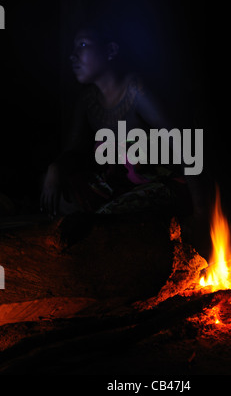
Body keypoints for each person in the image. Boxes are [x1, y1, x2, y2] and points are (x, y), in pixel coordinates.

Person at [40, 21, 207, 239]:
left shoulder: (137, 92)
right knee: (56, 190)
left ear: (110, 50)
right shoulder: (88, 100)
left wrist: (201, 211)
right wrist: (55, 169)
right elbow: (73, 151)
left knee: (109, 217)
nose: (73, 56)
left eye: (82, 45)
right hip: (118, 186)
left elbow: (185, 147)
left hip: (159, 184)